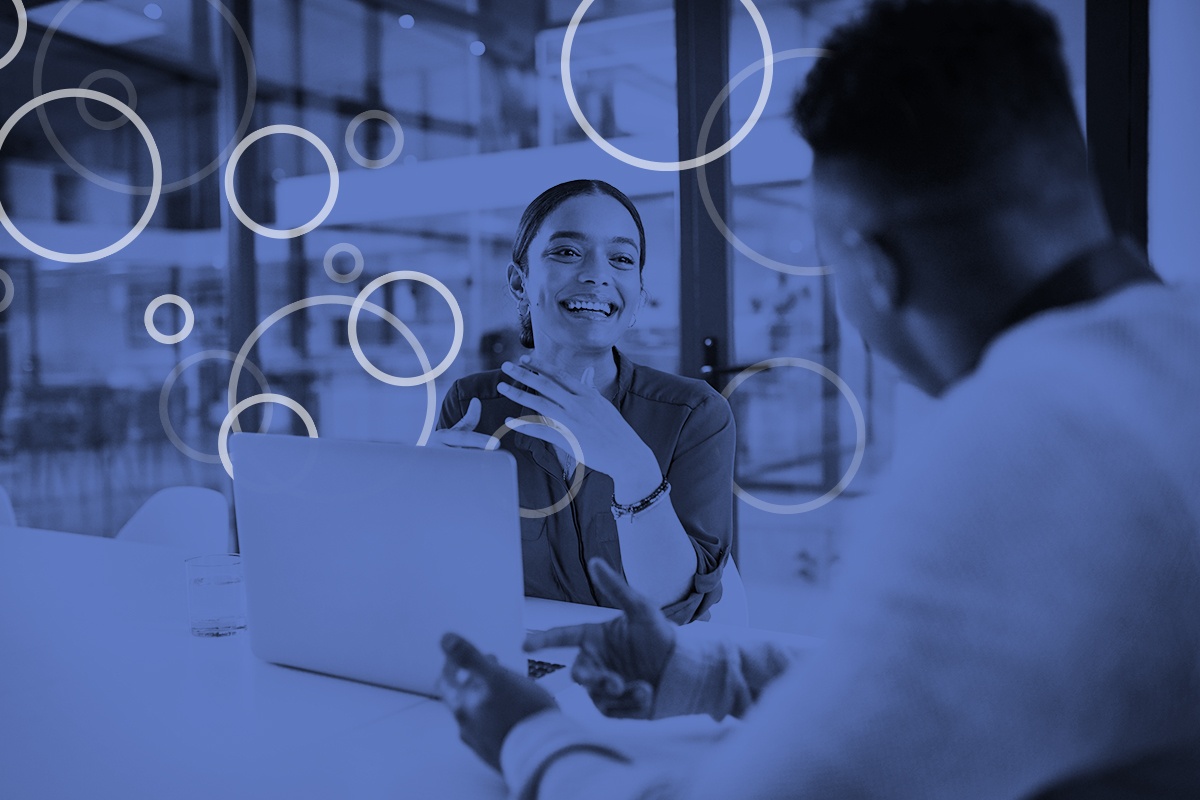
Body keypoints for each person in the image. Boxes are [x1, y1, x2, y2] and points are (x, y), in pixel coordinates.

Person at [437, 0, 1200, 797]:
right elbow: (926, 680)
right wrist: (705, 672)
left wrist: (526, 735)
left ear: (877, 270)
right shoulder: (1163, 361)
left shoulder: (1016, 452)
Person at [431, 180, 735, 623]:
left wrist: (635, 469)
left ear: (638, 296)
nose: (597, 274)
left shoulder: (695, 414)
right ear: (519, 281)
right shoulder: (473, 405)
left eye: (622, 259)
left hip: (645, 669)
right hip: (522, 657)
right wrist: (428, 498)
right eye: (568, 252)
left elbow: (674, 606)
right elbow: (449, 575)